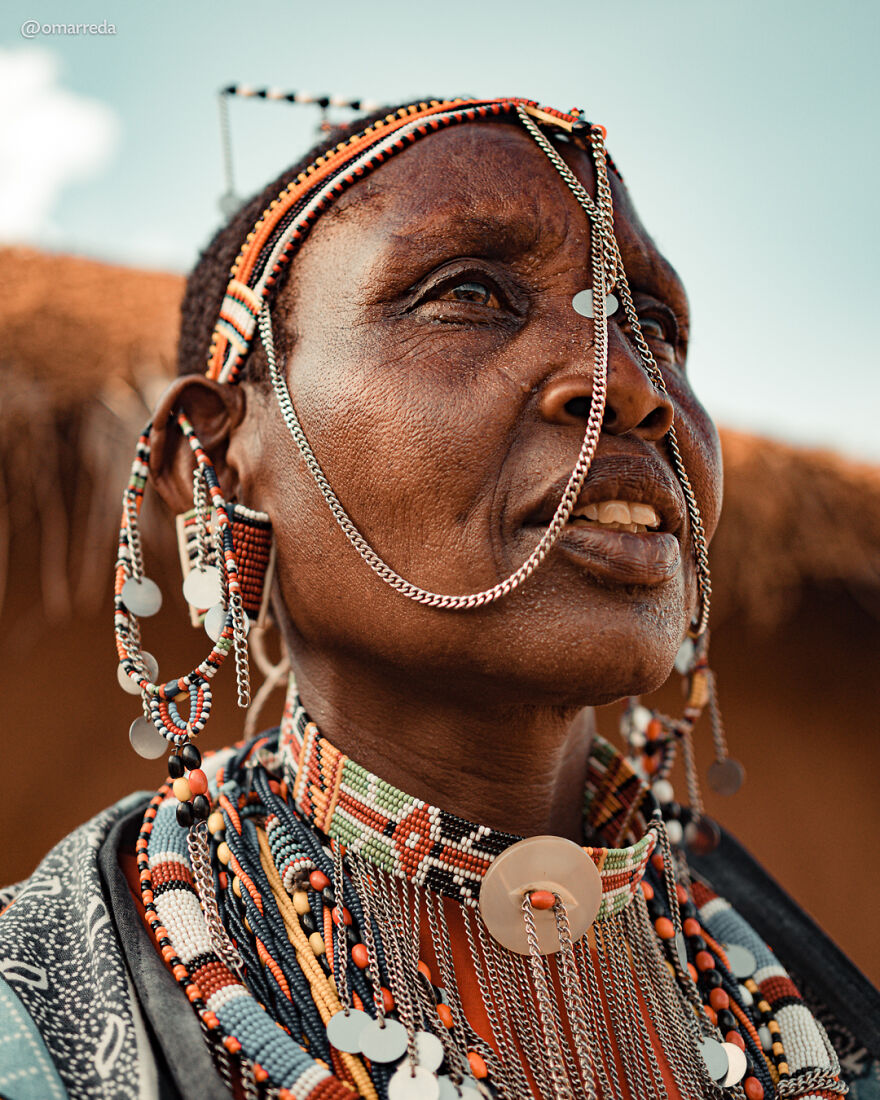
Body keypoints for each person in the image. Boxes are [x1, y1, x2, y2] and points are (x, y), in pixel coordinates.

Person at [0, 95, 877, 1100]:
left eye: (656, 325)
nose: (628, 382)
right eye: (468, 293)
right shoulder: (42, 1016)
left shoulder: (803, 994)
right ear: (223, 459)